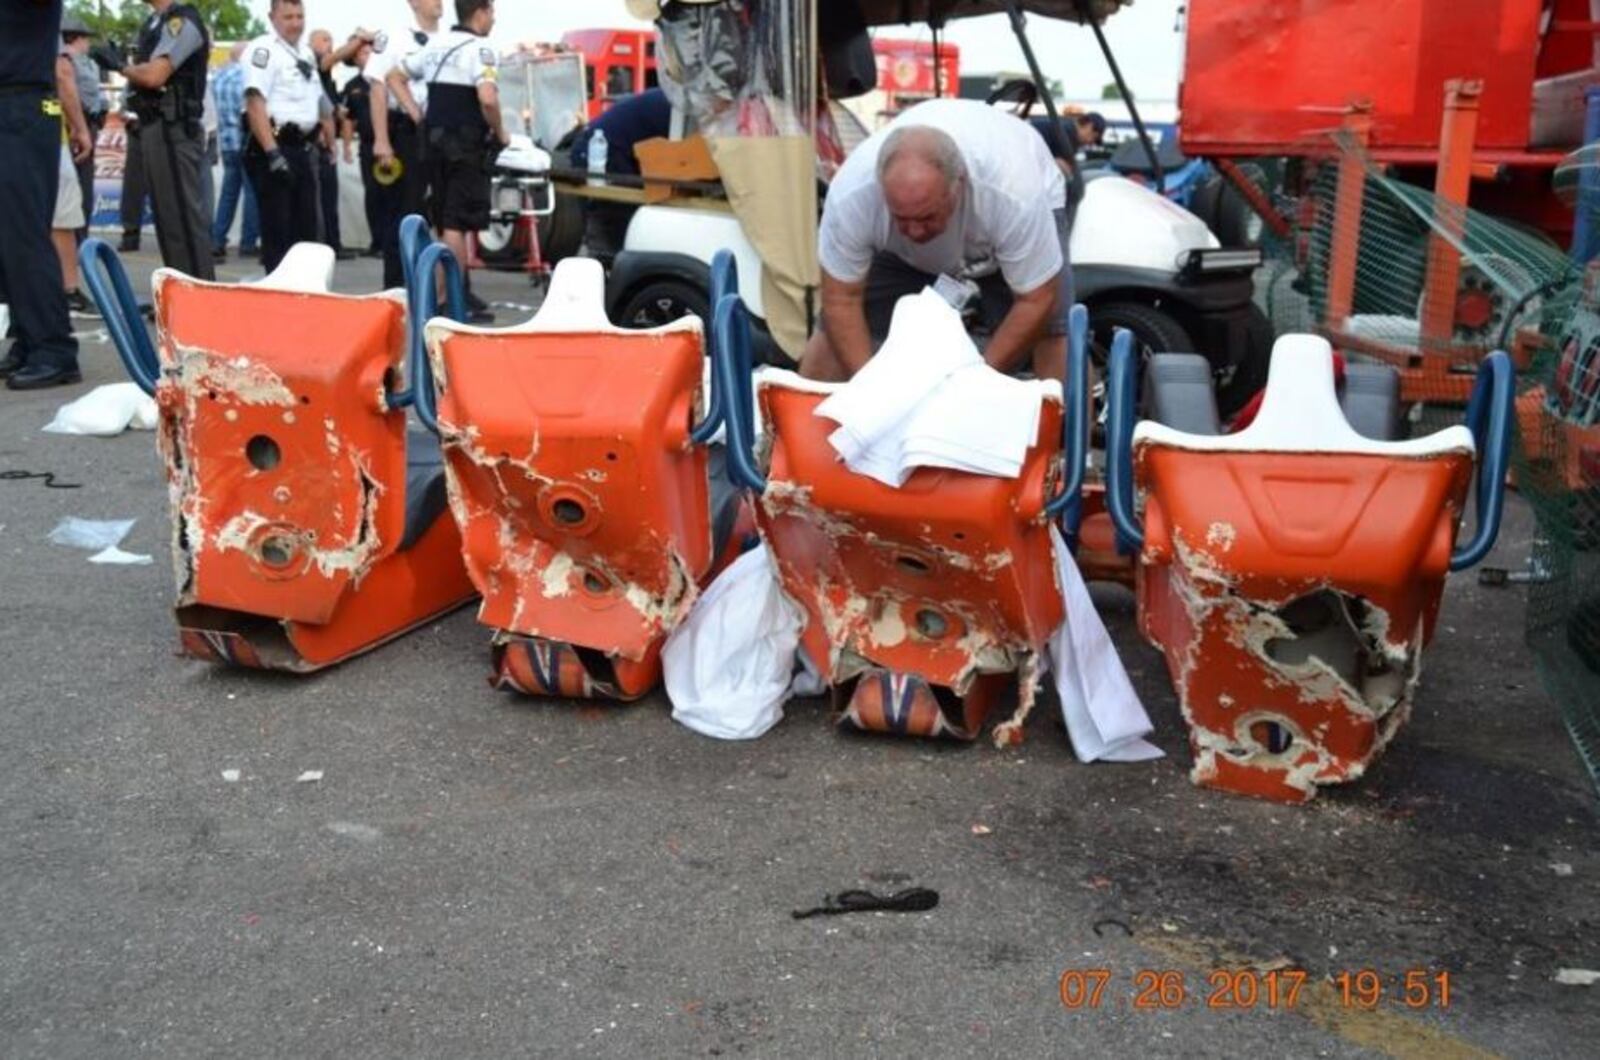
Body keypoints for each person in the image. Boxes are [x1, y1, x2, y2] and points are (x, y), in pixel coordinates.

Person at [799, 98, 1071, 383]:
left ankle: (1071, 426)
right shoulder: (853, 197)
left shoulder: (1013, 193)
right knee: (832, 329)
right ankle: (805, 423)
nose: (915, 233)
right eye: (901, 218)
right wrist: (869, 391)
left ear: (959, 185)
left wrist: (977, 383)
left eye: (927, 217)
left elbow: (1036, 300)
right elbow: (842, 300)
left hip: (1004, 234)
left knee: (1053, 329)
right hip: (897, 254)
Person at [388, 0, 505, 323]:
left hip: (433, 144)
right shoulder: (481, 48)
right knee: (457, 224)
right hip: (465, 146)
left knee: (443, 221)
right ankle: (451, 301)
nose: (493, 18)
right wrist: (501, 131)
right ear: (480, 13)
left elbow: (394, 77)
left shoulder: (436, 44)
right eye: (492, 12)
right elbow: (487, 98)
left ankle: (441, 298)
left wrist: (418, 115)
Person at [90, 0, 214, 281]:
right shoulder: (153, 23)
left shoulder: (181, 21)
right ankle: (179, 298)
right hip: (155, 126)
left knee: (183, 221)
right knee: (169, 220)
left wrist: (121, 66)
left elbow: (155, 76)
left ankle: (201, 300)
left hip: (174, 129)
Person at [0, 0, 83, 390]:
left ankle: (53, 348)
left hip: (23, 107)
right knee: (8, 240)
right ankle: (29, 339)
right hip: (11, 107)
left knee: (24, 235)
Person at [241, 0, 333, 273]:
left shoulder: (305, 53)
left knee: (305, 232)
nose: (295, 23)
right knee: (278, 232)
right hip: (275, 147)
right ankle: (279, 300)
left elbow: (319, 100)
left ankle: (302, 297)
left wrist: (328, 135)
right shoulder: (263, 50)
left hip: (303, 147)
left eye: (299, 16)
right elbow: (255, 101)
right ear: (272, 18)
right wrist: (272, 153)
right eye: (288, 17)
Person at [366, 0, 445, 290]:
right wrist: (382, 140)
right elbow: (377, 87)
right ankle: (397, 286)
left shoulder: (447, 37)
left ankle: (444, 287)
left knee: (443, 214)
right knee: (404, 211)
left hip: (439, 132)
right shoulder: (393, 36)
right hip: (406, 132)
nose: (438, 2)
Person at [568, 87, 671, 266]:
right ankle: (607, 268)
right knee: (618, 213)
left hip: (604, 148)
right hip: (600, 152)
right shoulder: (679, 109)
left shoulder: (672, 100)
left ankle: (607, 265)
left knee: (620, 215)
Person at [210, 42, 260, 260]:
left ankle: (217, 239)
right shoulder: (246, 77)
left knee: (228, 194)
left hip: (227, 142)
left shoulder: (218, 77)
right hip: (246, 141)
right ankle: (248, 242)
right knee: (252, 193)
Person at [61, 17, 106, 242]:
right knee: (79, 182)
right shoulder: (68, 61)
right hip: (77, 121)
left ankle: (80, 235)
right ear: (77, 38)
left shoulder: (86, 62)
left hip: (86, 120)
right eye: (86, 38)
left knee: (82, 182)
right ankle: (78, 235)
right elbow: (76, 93)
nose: (88, 43)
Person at [340, 41, 386, 256]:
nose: (366, 56)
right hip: (367, 146)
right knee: (372, 194)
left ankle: (390, 241)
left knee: (390, 193)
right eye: (361, 53)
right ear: (355, 59)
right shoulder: (352, 86)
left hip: (389, 145)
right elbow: (349, 119)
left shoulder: (385, 78)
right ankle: (377, 241)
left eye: (369, 52)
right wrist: (348, 145)